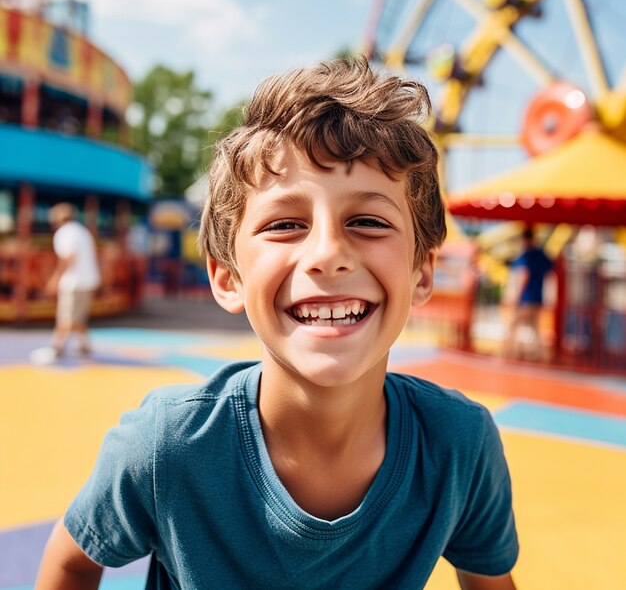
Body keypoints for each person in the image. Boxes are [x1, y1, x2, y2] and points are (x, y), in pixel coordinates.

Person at [36, 58, 518, 589]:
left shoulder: (460, 446)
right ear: (227, 277)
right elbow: (72, 562)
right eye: (286, 224)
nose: (329, 254)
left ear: (422, 271)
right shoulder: (166, 445)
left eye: (368, 221)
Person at [42, 202, 101, 360]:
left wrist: (56, 278)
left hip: (73, 281)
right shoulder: (82, 231)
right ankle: (84, 345)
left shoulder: (64, 232)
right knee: (78, 316)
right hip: (88, 280)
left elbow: (69, 257)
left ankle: (56, 348)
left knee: (66, 317)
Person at [504, 226, 554, 360]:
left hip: (526, 298)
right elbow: (551, 269)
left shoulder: (526, 255)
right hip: (538, 298)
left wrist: (516, 297)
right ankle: (539, 355)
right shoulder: (542, 254)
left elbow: (524, 275)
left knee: (513, 326)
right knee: (535, 329)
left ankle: (510, 352)